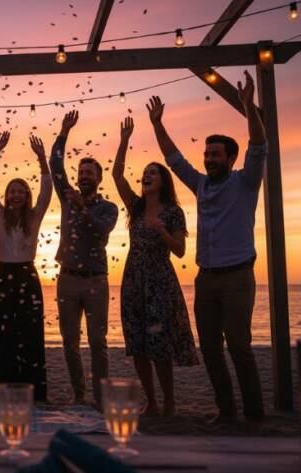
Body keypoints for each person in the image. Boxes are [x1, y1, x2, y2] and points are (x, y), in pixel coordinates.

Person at [146, 70, 267, 423]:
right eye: (207, 154)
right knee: (211, 349)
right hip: (205, 278)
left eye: (216, 155)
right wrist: (157, 125)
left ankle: (255, 413)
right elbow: (175, 159)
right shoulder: (200, 185)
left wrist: (248, 109)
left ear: (231, 158)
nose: (209, 159)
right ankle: (226, 410)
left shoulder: (246, 182)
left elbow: (258, 145)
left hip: (237, 277)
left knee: (241, 348)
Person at [111, 116, 198, 417]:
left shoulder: (174, 212)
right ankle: (152, 400)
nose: (146, 176)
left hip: (159, 280)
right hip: (134, 279)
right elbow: (117, 175)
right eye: (145, 173)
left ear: (163, 181)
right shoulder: (135, 207)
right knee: (137, 343)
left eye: (153, 173)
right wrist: (124, 140)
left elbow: (181, 251)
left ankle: (170, 401)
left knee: (159, 343)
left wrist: (161, 232)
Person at [49, 110, 119, 406]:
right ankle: (79, 394)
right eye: (81, 172)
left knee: (98, 342)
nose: (84, 176)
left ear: (99, 179)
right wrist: (64, 132)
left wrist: (82, 208)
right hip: (67, 278)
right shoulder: (67, 196)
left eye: (90, 173)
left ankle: (101, 398)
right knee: (69, 342)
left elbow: (101, 233)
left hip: (95, 281)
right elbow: (55, 164)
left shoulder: (108, 208)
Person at [0, 131, 52, 402]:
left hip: (27, 275)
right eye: (12, 191)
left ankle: (35, 393)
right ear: (7, 195)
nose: (15, 195)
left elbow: (47, 190)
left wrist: (42, 159)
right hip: (2, 276)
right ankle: (8, 389)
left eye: (20, 191)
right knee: (3, 335)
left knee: (31, 334)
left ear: (26, 195)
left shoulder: (34, 217)